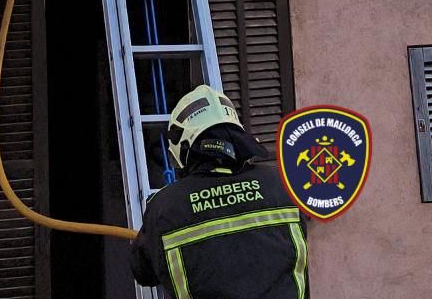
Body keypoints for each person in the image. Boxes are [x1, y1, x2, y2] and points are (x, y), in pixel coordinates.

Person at [131, 85, 309, 299]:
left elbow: (143, 272)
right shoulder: (283, 184)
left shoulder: (165, 207)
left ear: (183, 143)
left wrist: (149, 234)